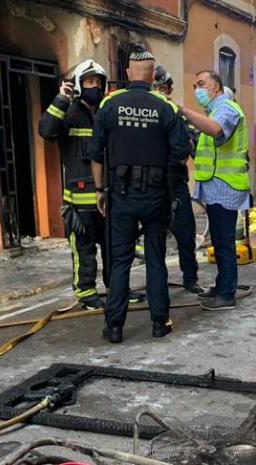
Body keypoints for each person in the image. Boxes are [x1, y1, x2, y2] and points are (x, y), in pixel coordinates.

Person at [88, 47, 191, 343]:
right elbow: (182, 152)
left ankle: (114, 327)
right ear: (153, 75)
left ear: (128, 73)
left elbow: (96, 153)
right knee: (155, 258)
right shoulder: (164, 106)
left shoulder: (110, 104)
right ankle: (159, 322)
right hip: (156, 195)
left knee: (120, 260)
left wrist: (99, 190)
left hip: (120, 195)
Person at [38, 60, 109, 311]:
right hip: (79, 204)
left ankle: (116, 289)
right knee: (84, 251)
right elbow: (46, 130)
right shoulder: (69, 113)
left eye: (98, 82)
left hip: (107, 200)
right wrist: (60, 99)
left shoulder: (105, 113)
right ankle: (87, 294)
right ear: (79, 85)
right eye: (89, 82)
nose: (95, 86)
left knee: (114, 250)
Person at [179, 71, 249, 311]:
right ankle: (222, 286)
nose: (197, 90)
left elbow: (217, 131)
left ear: (216, 86)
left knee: (224, 241)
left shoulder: (227, 109)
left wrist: (184, 111)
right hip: (216, 186)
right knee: (219, 241)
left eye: (201, 84)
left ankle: (226, 294)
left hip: (225, 186)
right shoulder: (215, 111)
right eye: (194, 85)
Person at [153, 65, 204, 294]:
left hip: (175, 181)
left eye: (164, 88)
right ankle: (157, 281)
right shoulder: (144, 115)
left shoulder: (177, 116)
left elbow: (193, 147)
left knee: (185, 232)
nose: (161, 93)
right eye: (157, 88)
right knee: (155, 236)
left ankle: (190, 278)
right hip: (151, 184)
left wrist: (188, 143)